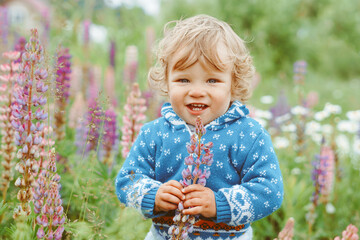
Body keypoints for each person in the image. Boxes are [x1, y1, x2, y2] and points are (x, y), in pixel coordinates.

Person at [115, 14, 284, 240]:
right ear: (166, 80)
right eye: (183, 80)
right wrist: (153, 195)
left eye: (212, 80)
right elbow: (127, 180)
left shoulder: (249, 134)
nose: (196, 90)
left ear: (233, 84)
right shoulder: (153, 133)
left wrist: (219, 203)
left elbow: (270, 191)